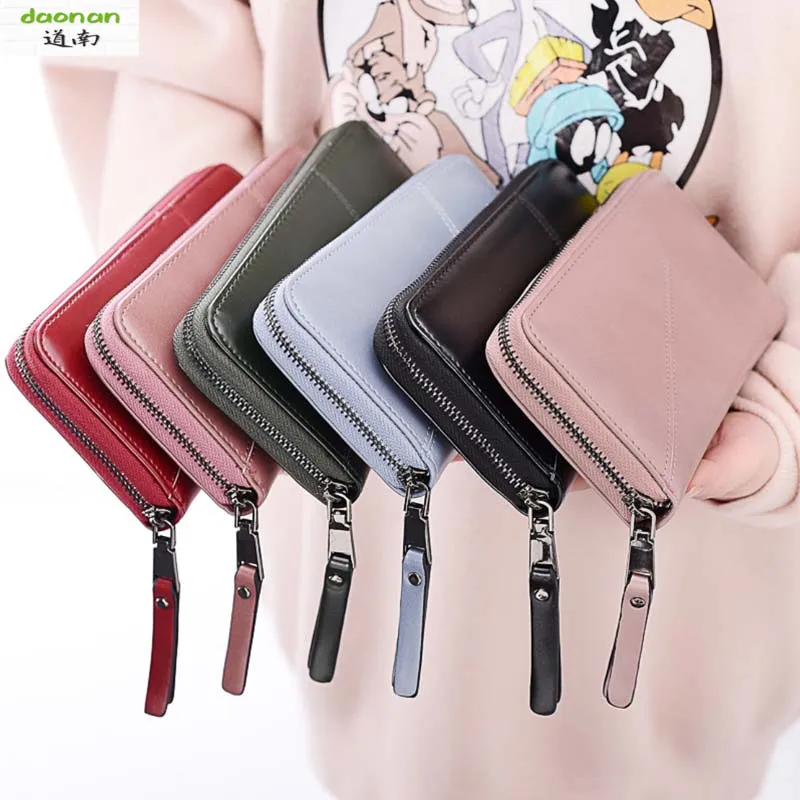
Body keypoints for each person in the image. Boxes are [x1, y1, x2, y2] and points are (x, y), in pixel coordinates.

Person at [43, 1, 800, 797]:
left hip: (697, 627)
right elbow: (105, 27)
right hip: (367, 614)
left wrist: (777, 412)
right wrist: (208, 320)